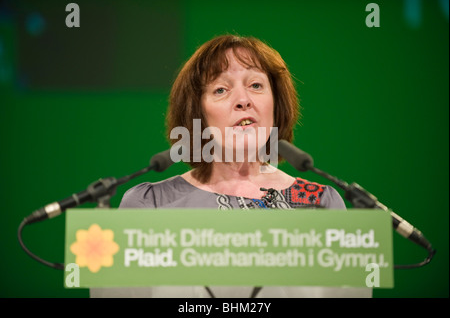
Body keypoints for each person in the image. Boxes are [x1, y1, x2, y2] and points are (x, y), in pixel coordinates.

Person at [90, 34, 371, 298]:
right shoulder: (149, 205)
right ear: (197, 113)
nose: (243, 100)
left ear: (276, 104)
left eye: (256, 85)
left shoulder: (320, 204)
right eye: (221, 89)